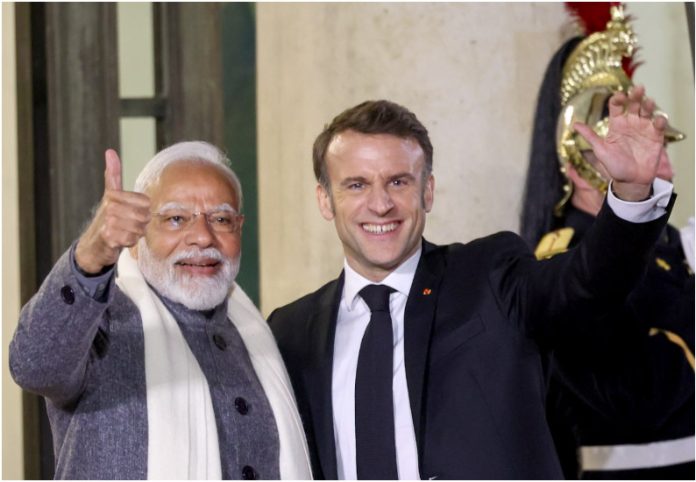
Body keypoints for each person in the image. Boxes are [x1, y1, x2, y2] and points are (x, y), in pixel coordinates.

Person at [268, 81, 676, 479]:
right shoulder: (290, 332)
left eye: (398, 181)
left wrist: (631, 193)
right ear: (325, 199)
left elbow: (586, 284)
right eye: (356, 185)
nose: (380, 204)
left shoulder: (489, 277)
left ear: (427, 191)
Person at [10, 141, 312, 480]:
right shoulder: (102, 322)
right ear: (137, 236)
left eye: (221, 219)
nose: (202, 237)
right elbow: (33, 365)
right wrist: (91, 254)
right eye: (176, 219)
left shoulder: (259, 337)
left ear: (239, 228)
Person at [520, 5, 694, 479]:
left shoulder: (671, 243)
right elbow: (637, 395)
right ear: (581, 162)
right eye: (643, 152)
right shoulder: (564, 256)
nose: (664, 166)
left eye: (661, 149)